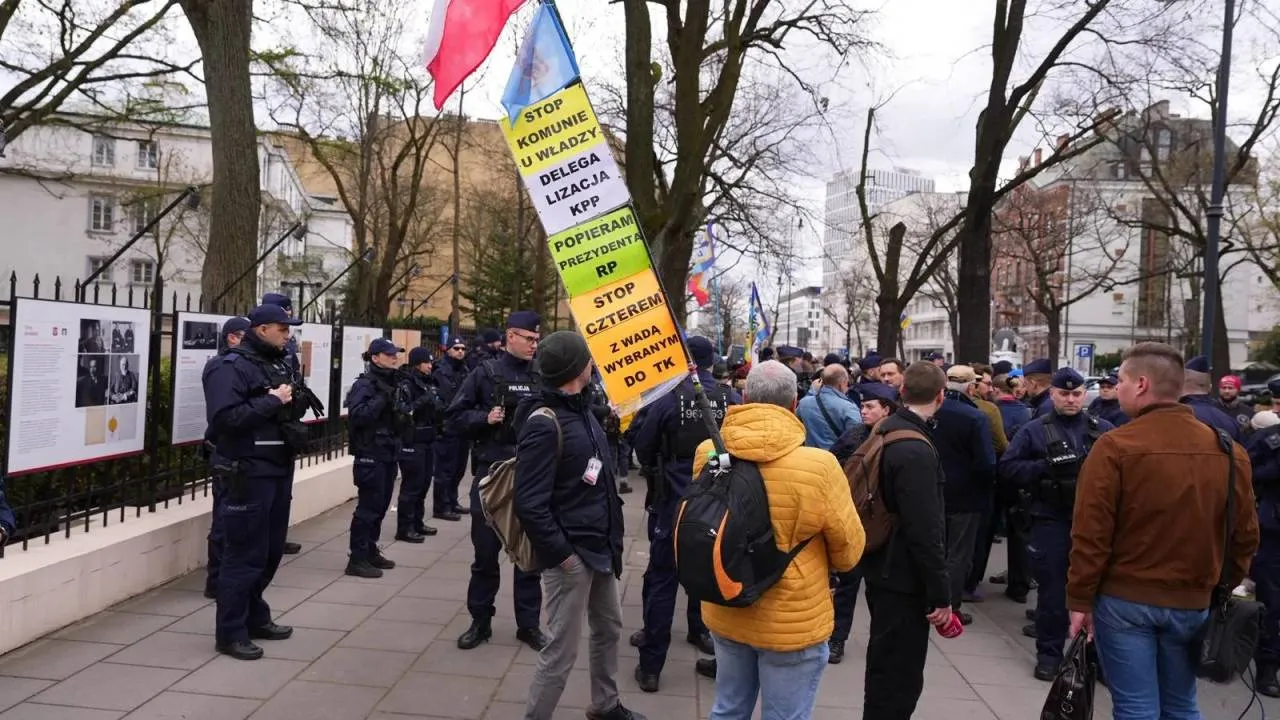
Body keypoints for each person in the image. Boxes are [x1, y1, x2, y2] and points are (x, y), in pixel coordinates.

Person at [1068, 342, 1258, 718]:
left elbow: (1091, 535)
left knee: (1136, 706)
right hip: (1192, 600)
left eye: (1120, 380)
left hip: (1125, 598)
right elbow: (1245, 535)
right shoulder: (1228, 451)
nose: (1116, 387)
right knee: (1181, 704)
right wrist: (1220, 585)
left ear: (1140, 384)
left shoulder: (1115, 446)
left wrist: (1079, 599)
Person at [692, 360, 864, 719]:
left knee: (727, 709)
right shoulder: (820, 466)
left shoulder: (710, 452)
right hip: (793, 617)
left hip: (729, 600)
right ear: (793, 403)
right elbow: (849, 552)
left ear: (744, 396)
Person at [512, 332, 644, 720]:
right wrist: (565, 558)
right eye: (589, 359)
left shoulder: (582, 409)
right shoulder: (544, 422)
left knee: (609, 629)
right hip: (572, 555)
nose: (594, 364)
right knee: (560, 651)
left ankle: (605, 705)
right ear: (577, 369)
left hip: (600, 546)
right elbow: (529, 504)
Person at [629, 336, 739, 691]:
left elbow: (642, 446)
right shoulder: (730, 398)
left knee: (662, 580)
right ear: (711, 363)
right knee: (706, 573)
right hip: (718, 504)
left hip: (673, 503)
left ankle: (651, 666)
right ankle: (700, 631)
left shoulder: (667, 397)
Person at [203, 304, 304, 660]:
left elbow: (287, 411)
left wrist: (293, 400)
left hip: (277, 467)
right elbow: (225, 420)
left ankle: (255, 616)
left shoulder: (276, 362)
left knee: (270, 551)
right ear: (261, 329)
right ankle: (230, 632)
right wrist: (271, 401)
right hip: (247, 470)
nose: (287, 335)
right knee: (243, 554)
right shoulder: (228, 367)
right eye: (283, 328)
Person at [1000, 367, 1114, 680]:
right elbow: (1009, 467)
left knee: (1098, 592)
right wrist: (1045, 467)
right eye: (1064, 393)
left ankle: (1093, 656)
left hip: (1095, 522)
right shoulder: (1035, 430)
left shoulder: (1102, 429)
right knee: (1052, 592)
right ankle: (1049, 654)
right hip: (1051, 517)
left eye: (1076, 393)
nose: (1070, 399)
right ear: (1052, 394)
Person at [447, 311, 547, 651]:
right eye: (529, 338)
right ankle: (480, 621)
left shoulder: (542, 375)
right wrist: (484, 418)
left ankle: (529, 624)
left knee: (529, 553)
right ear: (510, 337)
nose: (535, 344)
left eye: (538, 339)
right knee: (485, 553)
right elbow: (454, 418)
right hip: (492, 473)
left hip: (532, 474)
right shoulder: (484, 373)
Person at [860, 362, 952, 720]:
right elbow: (926, 531)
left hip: (881, 564)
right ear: (940, 396)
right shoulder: (916, 448)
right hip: (903, 577)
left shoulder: (886, 430)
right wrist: (941, 594)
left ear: (901, 393)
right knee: (899, 675)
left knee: (884, 663)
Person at [827, 382, 898, 664]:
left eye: (870, 406)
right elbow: (832, 463)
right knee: (846, 585)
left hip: (885, 526)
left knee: (882, 591)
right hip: (854, 521)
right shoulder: (855, 434)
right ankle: (837, 638)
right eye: (863, 405)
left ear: (887, 409)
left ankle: (883, 645)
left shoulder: (897, 438)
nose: (863, 410)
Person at [932, 363, 998, 625]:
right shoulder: (975, 417)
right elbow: (986, 462)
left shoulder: (932, 410)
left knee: (935, 548)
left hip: (934, 491)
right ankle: (951, 608)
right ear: (972, 387)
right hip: (966, 496)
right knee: (958, 554)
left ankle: (929, 599)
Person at [344, 338, 412, 578]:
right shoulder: (366, 385)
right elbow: (357, 416)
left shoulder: (392, 382)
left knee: (381, 506)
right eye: (389, 354)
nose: (395, 357)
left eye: (396, 354)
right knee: (368, 508)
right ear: (375, 358)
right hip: (370, 454)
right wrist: (382, 398)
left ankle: (371, 550)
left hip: (388, 452)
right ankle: (357, 558)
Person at [203, 316, 251, 599]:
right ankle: (216, 579)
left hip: (239, 452)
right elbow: (224, 416)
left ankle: (225, 577)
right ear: (232, 337)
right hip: (226, 453)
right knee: (224, 519)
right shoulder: (223, 366)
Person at [261, 292, 306, 555]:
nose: (287, 327)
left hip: (285, 423)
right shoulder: (251, 346)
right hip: (264, 425)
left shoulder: (286, 346)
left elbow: (294, 373)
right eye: (285, 319)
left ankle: (276, 537)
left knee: (282, 495)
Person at [1246, 376, 1280, 696]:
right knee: (1271, 601)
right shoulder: (1268, 440)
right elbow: (1242, 473)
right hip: (1274, 531)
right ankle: (1268, 667)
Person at [989, 373, 1034, 602]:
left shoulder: (992, 411)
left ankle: (972, 580)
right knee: (1019, 535)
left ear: (996, 390)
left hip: (994, 476)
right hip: (1018, 481)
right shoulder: (1027, 412)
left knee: (986, 530)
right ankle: (1019, 585)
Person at [395, 346, 444, 543]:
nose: (430, 366)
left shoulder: (429, 382)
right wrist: (424, 400)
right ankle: (404, 528)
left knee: (424, 484)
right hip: (412, 441)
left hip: (428, 439)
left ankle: (417, 522)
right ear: (417, 363)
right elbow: (403, 412)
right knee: (412, 486)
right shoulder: (406, 384)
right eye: (427, 362)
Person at [431, 340, 471, 521]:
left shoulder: (464, 369)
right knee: (445, 469)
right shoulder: (441, 370)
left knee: (458, 468)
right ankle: (441, 506)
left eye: (463, 348)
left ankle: (452, 501)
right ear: (447, 350)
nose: (461, 352)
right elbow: (444, 397)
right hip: (447, 425)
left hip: (462, 425)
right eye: (456, 349)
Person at [796, 364, 862, 451]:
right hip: (836, 461)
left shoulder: (804, 403)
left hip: (809, 458)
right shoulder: (849, 407)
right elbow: (855, 440)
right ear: (842, 384)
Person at [1181, 355, 1243, 441]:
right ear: (1209, 388)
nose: (1227, 391)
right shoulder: (1230, 421)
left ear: (1181, 384)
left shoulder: (1178, 416)